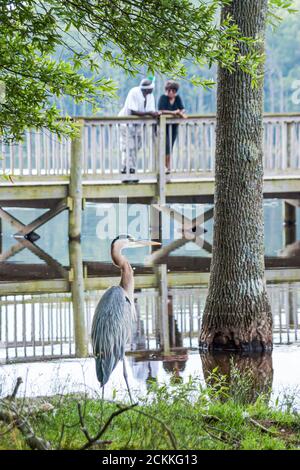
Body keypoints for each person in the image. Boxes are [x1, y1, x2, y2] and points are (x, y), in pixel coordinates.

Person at [118, 78, 161, 176]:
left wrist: (154, 116)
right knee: (128, 146)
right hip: (126, 123)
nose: (153, 89)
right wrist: (150, 113)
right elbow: (132, 111)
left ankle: (131, 168)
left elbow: (151, 111)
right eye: (151, 88)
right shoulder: (134, 92)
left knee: (137, 146)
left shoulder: (150, 96)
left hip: (138, 125)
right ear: (146, 89)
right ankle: (127, 168)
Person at [158, 80, 186, 174]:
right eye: (169, 90)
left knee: (170, 146)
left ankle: (168, 167)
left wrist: (180, 113)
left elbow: (182, 108)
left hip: (174, 126)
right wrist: (173, 112)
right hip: (163, 126)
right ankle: (165, 166)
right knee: (166, 145)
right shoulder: (163, 98)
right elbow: (161, 110)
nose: (170, 93)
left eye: (173, 91)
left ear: (175, 91)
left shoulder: (178, 98)